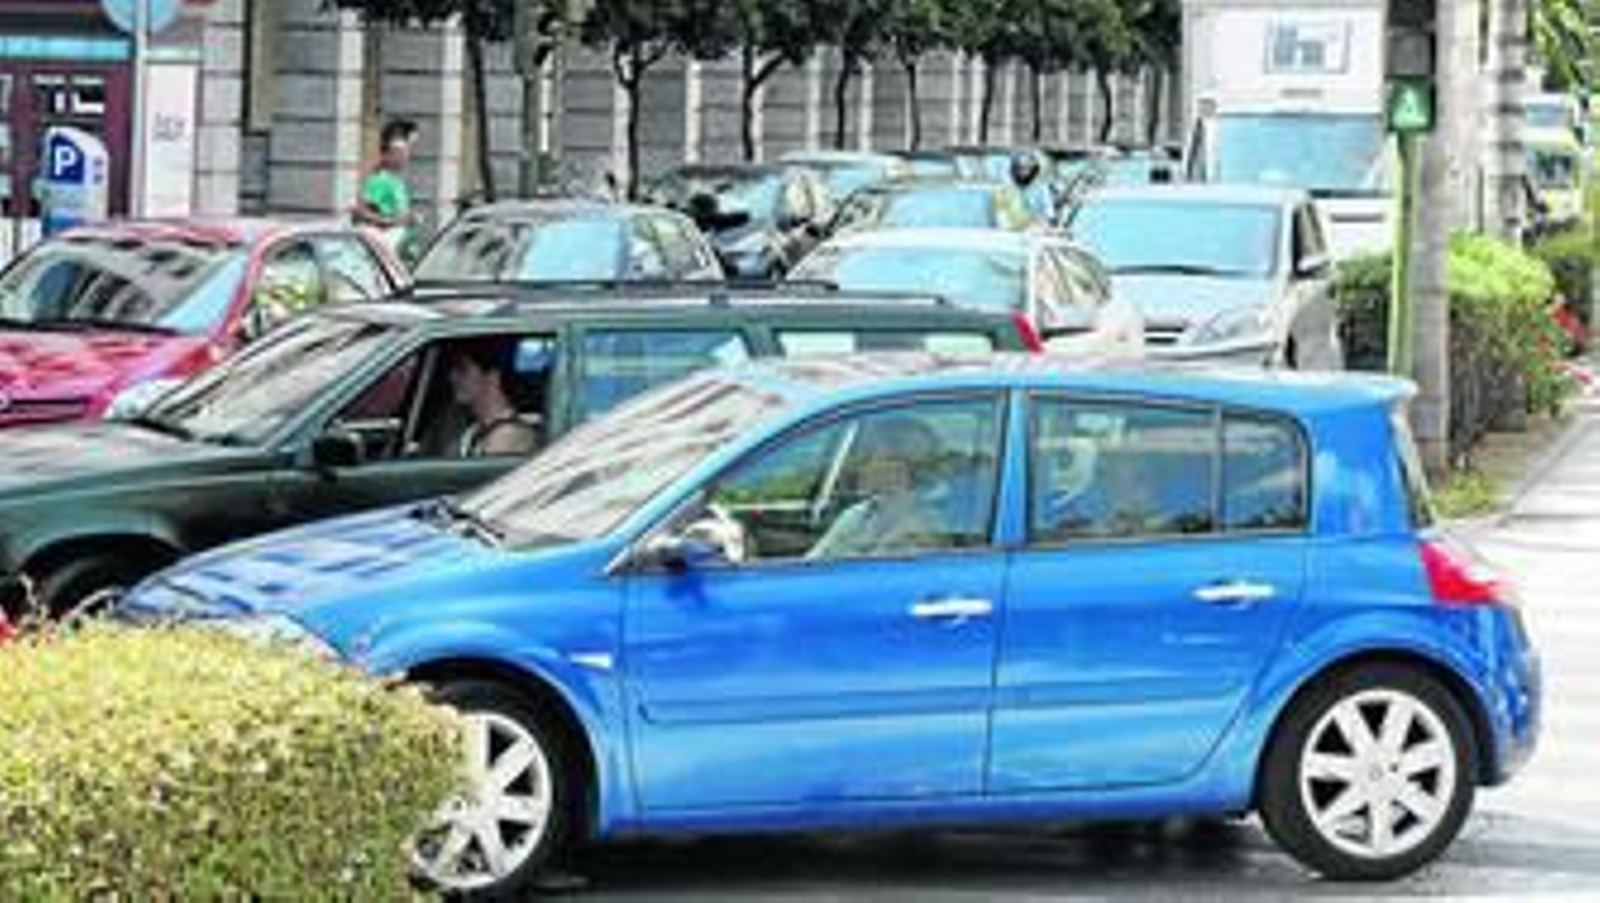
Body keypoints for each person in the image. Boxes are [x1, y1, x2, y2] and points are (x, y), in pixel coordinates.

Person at [807, 417, 948, 559]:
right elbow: (809, 564)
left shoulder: (924, 529)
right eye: (862, 454)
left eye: (869, 454)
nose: (858, 463)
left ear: (900, 467)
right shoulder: (857, 515)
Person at [448, 339, 541, 458]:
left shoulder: (507, 436)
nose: (452, 377)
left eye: (463, 370)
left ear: (493, 377)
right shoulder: (475, 431)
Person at [353, 119, 422, 264]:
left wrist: (410, 219)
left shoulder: (397, 181)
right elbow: (361, 215)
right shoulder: (380, 180)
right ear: (386, 155)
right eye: (399, 153)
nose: (405, 157)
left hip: (402, 254)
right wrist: (397, 222)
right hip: (385, 256)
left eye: (406, 152)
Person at [1010, 150, 1057, 223]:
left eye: (1027, 168)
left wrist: (1050, 219)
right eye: (1021, 168)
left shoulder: (1041, 188)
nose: (1024, 172)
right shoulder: (1010, 186)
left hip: (1037, 224)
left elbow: (1048, 208)